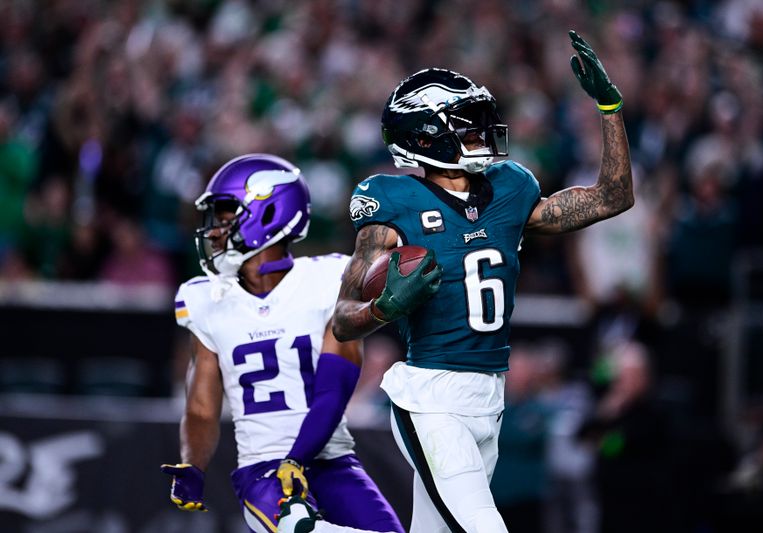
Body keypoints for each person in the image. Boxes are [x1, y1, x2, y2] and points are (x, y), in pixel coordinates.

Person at [294, 30, 632, 533]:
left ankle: (305, 529)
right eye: (465, 127)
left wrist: (609, 106)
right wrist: (384, 309)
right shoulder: (392, 205)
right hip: (431, 397)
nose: (481, 135)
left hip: (489, 397)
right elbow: (343, 322)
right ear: (424, 138)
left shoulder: (510, 188)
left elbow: (613, 196)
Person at [159, 153, 403, 533]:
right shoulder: (205, 299)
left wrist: (298, 459)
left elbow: (332, 391)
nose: (215, 231)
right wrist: (193, 463)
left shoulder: (327, 280)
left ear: (268, 213)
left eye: (225, 218)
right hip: (262, 470)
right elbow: (203, 406)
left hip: (330, 461)